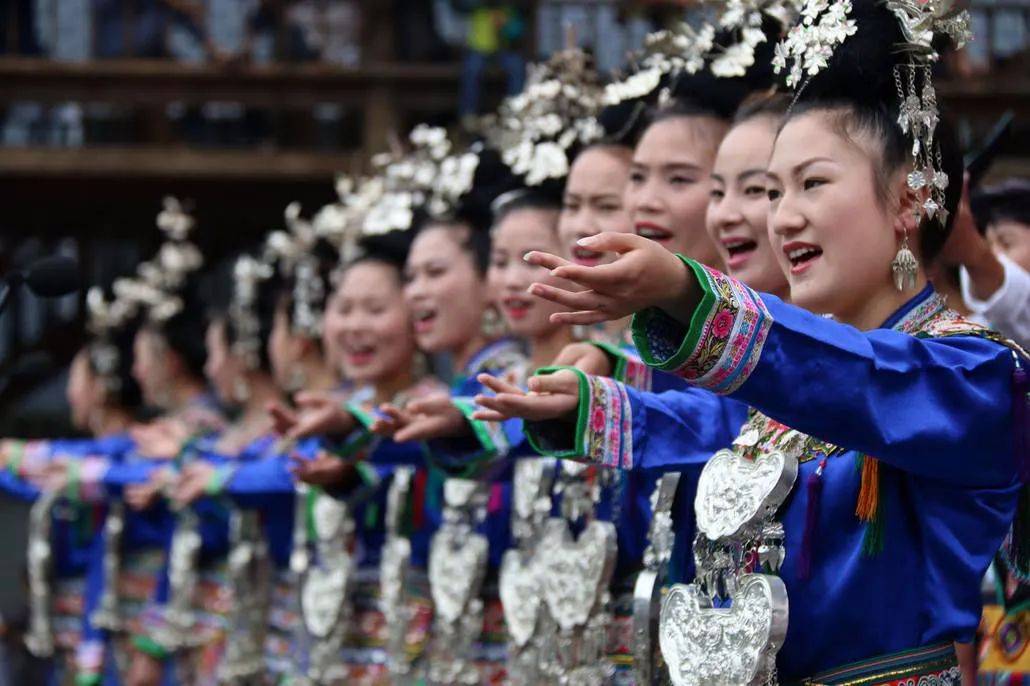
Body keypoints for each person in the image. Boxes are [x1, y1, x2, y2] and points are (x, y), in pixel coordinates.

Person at [477, 0, 1028, 681]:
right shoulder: (798, 386)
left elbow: (856, 380)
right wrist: (587, 408)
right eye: (774, 192)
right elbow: (712, 424)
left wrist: (686, 291)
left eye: (812, 184)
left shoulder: (973, 372)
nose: (783, 218)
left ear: (910, 198)